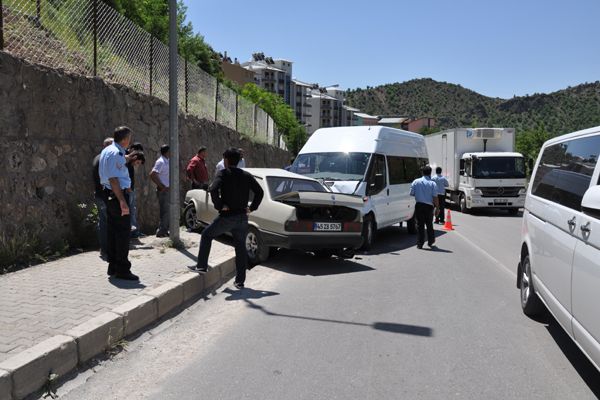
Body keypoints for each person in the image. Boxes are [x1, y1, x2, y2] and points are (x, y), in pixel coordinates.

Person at [190, 148, 264, 289]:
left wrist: (219, 205)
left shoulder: (223, 173)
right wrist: (252, 208)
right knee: (240, 247)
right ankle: (240, 281)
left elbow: (212, 189)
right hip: (242, 217)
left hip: (227, 216)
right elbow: (259, 192)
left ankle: (201, 266)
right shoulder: (246, 175)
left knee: (206, 235)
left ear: (226, 160)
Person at [99, 126, 138, 280]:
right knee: (122, 233)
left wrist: (129, 157)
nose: (130, 141)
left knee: (113, 231)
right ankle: (122, 269)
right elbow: (113, 179)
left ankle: (113, 266)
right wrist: (122, 201)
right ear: (125, 139)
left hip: (110, 195)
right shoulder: (115, 153)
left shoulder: (110, 150)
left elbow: (118, 163)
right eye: (129, 138)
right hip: (117, 195)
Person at [93, 137, 113, 258]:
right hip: (106, 195)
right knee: (109, 223)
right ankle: (108, 249)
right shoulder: (105, 158)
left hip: (99, 194)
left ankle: (104, 248)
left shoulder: (97, 157)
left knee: (103, 223)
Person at [410, 165, 439, 249]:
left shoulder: (416, 181)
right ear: (430, 173)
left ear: (422, 172)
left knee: (420, 225)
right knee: (429, 224)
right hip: (429, 206)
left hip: (419, 205)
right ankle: (430, 241)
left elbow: (411, 193)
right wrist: (437, 207)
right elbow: (435, 197)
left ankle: (420, 243)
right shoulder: (433, 183)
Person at [150, 145, 170, 237]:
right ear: (167, 152)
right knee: (165, 211)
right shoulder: (161, 162)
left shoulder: (167, 161)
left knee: (167, 212)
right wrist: (162, 186)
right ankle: (161, 231)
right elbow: (153, 174)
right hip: (163, 191)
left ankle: (164, 230)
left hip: (167, 191)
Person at [126, 143, 145, 238]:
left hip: (130, 189)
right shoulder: (125, 159)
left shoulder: (130, 161)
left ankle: (134, 231)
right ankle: (131, 232)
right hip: (127, 190)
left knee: (132, 210)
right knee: (129, 211)